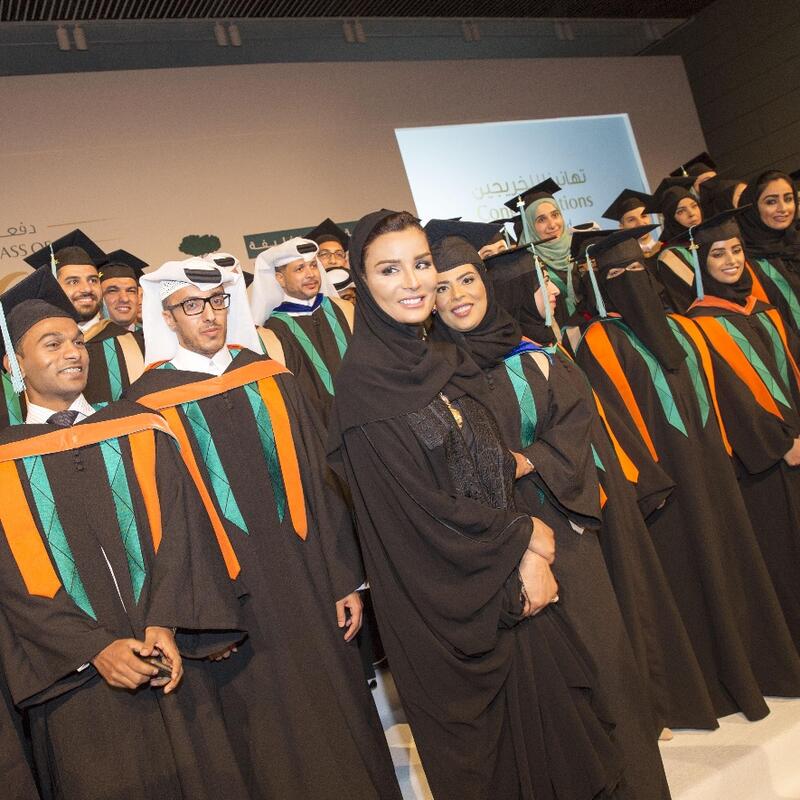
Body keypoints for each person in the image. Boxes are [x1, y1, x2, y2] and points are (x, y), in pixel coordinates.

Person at [327, 209, 624, 800]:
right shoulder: (366, 390)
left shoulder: (433, 360)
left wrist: (524, 544)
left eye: (420, 264)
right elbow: (420, 515)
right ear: (362, 284)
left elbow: (480, 463)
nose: (413, 282)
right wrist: (524, 540)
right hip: (456, 618)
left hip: (504, 588)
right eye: (390, 269)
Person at [126, 257, 401, 800]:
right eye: (192, 306)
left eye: (219, 301)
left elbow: (322, 482)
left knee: (342, 710)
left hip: (308, 583)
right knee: (270, 740)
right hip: (235, 604)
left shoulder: (269, 375)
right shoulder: (144, 408)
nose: (210, 316)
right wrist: (206, 624)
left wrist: (343, 576)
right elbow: (164, 529)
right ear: (168, 316)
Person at [429, 229, 674, 797]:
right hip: (493, 550)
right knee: (542, 693)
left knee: (606, 669)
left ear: (486, 284)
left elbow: (575, 427)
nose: (459, 296)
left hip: (566, 533)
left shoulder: (536, 358)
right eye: (442, 287)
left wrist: (522, 460)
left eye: (468, 280)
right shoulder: (429, 377)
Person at [0, 267, 249, 800]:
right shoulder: (3, 463)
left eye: (76, 340)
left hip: (172, 658)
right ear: (13, 364)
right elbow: (12, 588)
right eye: (52, 343)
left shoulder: (138, 427)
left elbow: (184, 532)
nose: (74, 352)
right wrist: (95, 649)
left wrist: (166, 619)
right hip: (78, 687)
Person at [572, 225, 800, 722]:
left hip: (717, 474)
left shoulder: (686, 327)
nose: (630, 278)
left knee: (737, 568)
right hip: (668, 491)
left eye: (637, 267)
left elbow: (725, 396)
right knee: (696, 579)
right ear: (599, 284)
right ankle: (717, 687)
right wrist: (649, 481)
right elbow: (613, 422)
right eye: (616, 274)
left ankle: (762, 668)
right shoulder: (601, 341)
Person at [680, 209, 800, 648]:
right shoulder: (698, 324)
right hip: (764, 463)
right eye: (717, 254)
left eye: (736, 251)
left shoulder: (765, 308)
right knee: (785, 554)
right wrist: (779, 443)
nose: (730, 260)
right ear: (701, 264)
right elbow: (725, 397)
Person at [25, 230, 145, 404]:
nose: (87, 289)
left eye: (93, 280)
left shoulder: (135, 342)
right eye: (73, 281)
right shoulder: (33, 353)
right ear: (53, 288)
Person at [251, 237, 354, 425]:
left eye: (313, 266)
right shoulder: (274, 330)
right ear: (280, 278)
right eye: (300, 269)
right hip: (320, 432)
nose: (310, 274)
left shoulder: (344, 309)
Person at [505, 178, 579, 326]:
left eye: (555, 215)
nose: (552, 225)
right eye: (541, 220)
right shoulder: (526, 265)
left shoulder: (579, 250)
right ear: (530, 226)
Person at [738, 171, 800, 336]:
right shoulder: (744, 261)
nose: (783, 208)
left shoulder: (797, 242)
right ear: (753, 207)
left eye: (788, 199)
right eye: (771, 201)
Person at [654, 176, 704, 312]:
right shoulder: (670, 255)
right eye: (681, 211)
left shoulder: (713, 238)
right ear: (671, 218)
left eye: (694, 206)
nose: (691, 214)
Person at [602, 188, 662, 258]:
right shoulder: (620, 258)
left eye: (643, 216)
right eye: (631, 220)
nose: (640, 223)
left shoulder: (665, 249)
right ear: (622, 227)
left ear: (650, 218)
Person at [99, 249, 148, 331]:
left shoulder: (154, 338)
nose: (125, 299)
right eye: (112, 291)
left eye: (131, 291)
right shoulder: (85, 341)